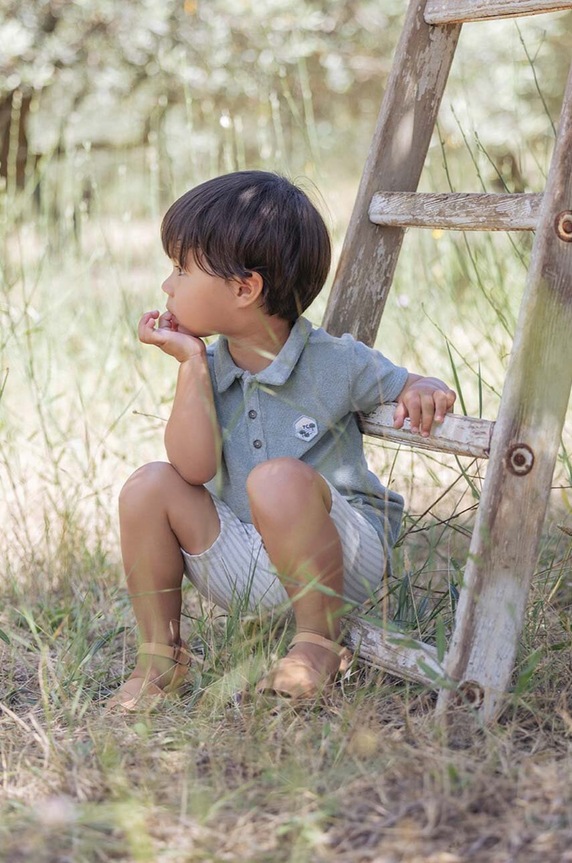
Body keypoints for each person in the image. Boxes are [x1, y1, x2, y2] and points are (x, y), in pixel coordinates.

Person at [108, 170, 456, 711]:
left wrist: (424, 389)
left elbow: (403, 382)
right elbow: (192, 469)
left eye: (180, 268)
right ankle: (161, 653)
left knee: (275, 480)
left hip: (341, 555)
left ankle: (318, 641)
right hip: (248, 561)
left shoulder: (333, 361)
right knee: (149, 484)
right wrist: (192, 364)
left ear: (245, 289)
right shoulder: (212, 364)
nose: (167, 286)